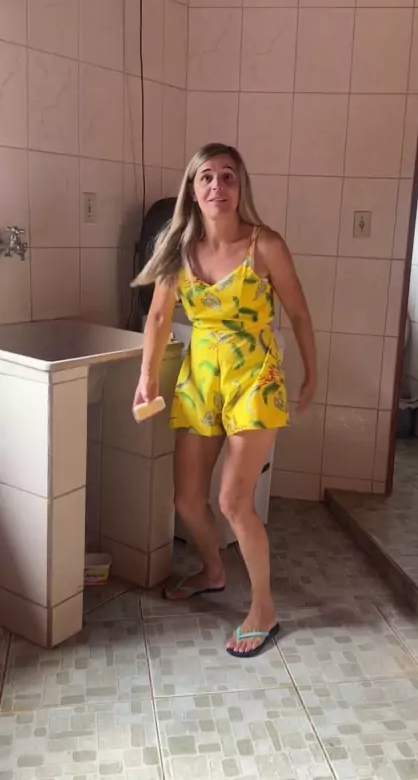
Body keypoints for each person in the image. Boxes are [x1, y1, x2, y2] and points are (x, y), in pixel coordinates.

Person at [132, 143, 316, 658]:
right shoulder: (177, 248)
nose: (218, 186)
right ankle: (213, 571)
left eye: (228, 176)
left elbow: (299, 313)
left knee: (234, 501)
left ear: (240, 187)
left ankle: (264, 610)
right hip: (201, 377)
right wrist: (146, 378)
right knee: (187, 501)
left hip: (255, 378)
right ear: (193, 191)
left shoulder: (266, 245)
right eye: (207, 177)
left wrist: (311, 375)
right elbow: (159, 317)